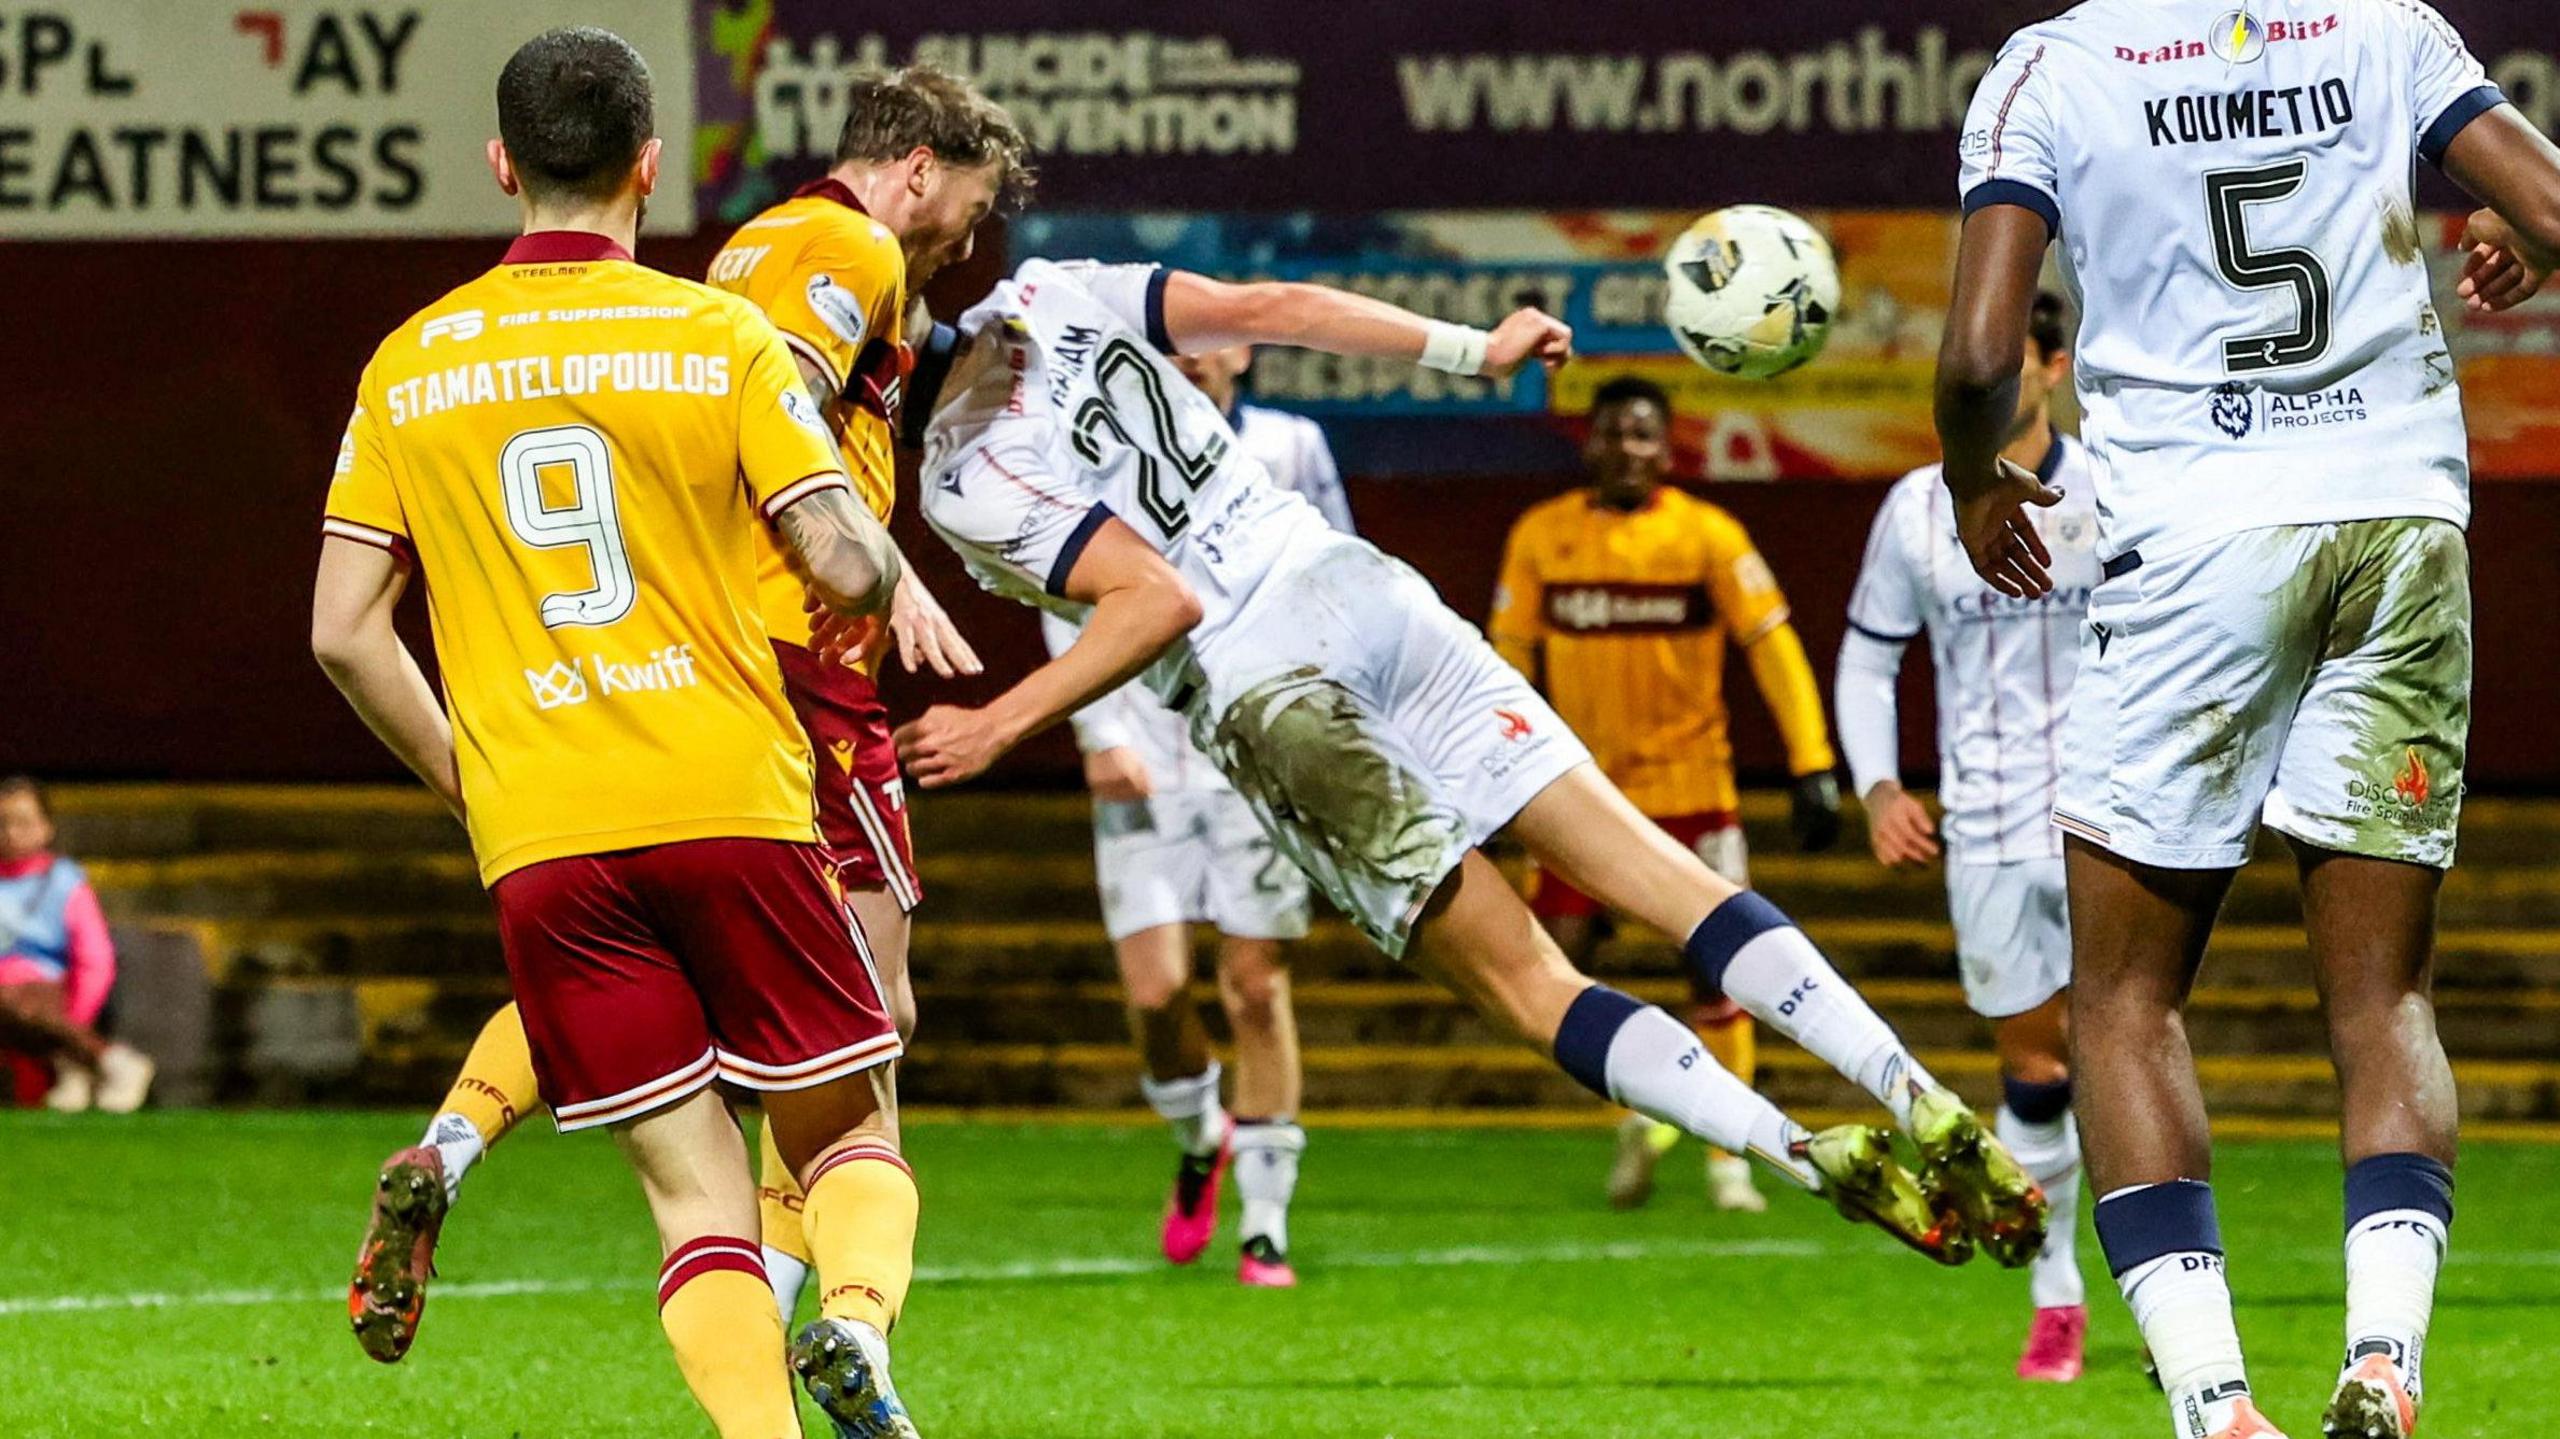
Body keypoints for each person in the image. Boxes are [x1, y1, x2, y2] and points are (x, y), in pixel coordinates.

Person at [885, 255, 2051, 1272]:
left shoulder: (951, 477)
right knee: (1664, 874)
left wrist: (996, 724)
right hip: (1361, 590)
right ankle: (1909, 1084)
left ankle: (1791, 1150)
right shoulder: (1055, 287)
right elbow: (1275, 304)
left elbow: (1154, 601)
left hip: (1264, 686)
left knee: (1531, 981)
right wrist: (1472, 348)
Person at [1938, 4, 2558, 1435]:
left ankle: (2217, 1402)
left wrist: (1977, 479)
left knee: (2123, 997)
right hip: (2402, 522)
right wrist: (2535, 243)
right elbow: (2551, 205)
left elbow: (1980, 360)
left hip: (2199, 544)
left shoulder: (2054, 65)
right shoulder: (2383, 25)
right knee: (2384, 996)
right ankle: (2387, 1357)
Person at [357, 62, 1029, 1354]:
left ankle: (453, 1137)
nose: (962, 235)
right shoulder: (847, 242)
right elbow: (789, 387)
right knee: (868, 1015)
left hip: (604, 719)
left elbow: (343, 627)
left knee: (631, 959)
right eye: (969, 205)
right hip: (786, 663)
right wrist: (885, 577)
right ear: (920, 168)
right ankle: (826, 1315)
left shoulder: (751, 243)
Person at [1491, 374, 1843, 1215]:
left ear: (1667, 444)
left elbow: (1772, 644)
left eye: (1644, 434)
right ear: (1590, 441)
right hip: (1579, 798)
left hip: (1694, 791)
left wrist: (1812, 761)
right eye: (1612, 433)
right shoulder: (1542, 536)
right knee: (1562, 967)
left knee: (1719, 974)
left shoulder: (1708, 534)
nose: (1627, 449)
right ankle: (1641, 1117)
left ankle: (1730, 1154)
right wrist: (1495, 776)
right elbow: (1504, 665)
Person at [1038, 344, 1352, 1288]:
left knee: (1255, 985)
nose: (1193, 358)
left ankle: (1265, 1223)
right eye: (1172, 346)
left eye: (1209, 341)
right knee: (1154, 993)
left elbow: (1341, 574)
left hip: (1256, 748)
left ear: (1242, 351)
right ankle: (1198, 1131)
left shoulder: (1293, 446)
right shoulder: (1103, 452)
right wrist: (1097, 731)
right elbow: (1058, 587)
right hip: (1145, 747)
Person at [1837, 293, 2096, 1381]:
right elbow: (1865, 655)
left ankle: (2154, 1286)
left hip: (2109, 814)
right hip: (1983, 823)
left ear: (2050, 363)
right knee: (2037, 1066)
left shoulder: (2118, 479)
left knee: (2123, 1048)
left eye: (2005, 365)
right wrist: (1879, 783)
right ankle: (2056, 1287)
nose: (1986, 386)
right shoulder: (1911, 509)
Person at [0, 777, 153, 1113]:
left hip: (44, 994)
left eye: (23, 822)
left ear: (46, 827)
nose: (11, 833)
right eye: (2, 824)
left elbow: (94, 960)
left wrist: (73, 1020)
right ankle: (86, 1059)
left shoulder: (64, 882)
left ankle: (97, 1057)